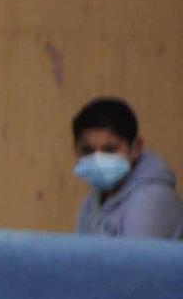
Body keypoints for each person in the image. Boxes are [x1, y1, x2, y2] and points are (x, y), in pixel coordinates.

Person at [71, 96, 183, 239]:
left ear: (136, 148)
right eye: (87, 151)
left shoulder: (151, 199)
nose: (97, 159)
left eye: (110, 150)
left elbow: (135, 260)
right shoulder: (95, 199)